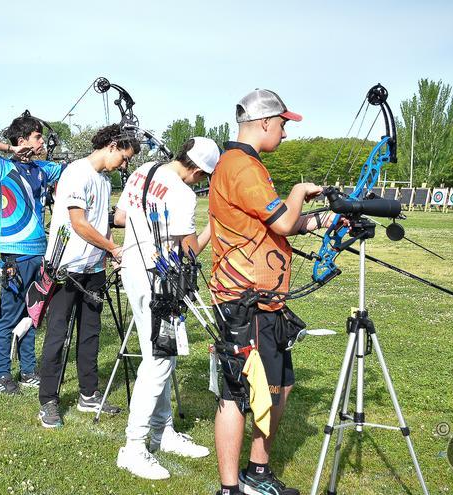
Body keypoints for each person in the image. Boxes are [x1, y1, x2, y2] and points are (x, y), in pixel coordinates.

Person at [209, 89, 331, 495]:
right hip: (246, 300)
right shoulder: (242, 166)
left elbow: (281, 225)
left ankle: (257, 474)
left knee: (279, 385)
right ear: (263, 123)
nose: (284, 132)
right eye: (282, 124)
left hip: (263, 299)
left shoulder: (246, 166)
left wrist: (323, 220)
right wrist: (299, 191)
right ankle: (232, 487)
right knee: (240, 391)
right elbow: (281, 223)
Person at [113, 137, 220, 479]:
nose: (203, 183)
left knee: (159, 354)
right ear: (199, 170)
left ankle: (163, 431)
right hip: (159, 280)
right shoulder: (184, 194)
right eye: (206, 177)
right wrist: (214, 228)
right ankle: (134, 446)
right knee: (159, 359)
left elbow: (121, 216)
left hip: (133, 266)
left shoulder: (145, 169)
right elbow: (188, 254)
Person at [36, 124, 136, 428]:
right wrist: (113, 248)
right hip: (67, 268)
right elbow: (78, 223)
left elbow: (99, 223)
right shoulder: (77, 173)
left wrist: (106, 255)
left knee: (90, 333)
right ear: (113, 145)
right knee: (58, 335)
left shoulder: (104, 181)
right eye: (124, 157)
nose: (124, 165)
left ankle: (89, 394)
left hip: (93, 270)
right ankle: (48, 401)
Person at [0, 113, 62, 395]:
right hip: (14, 255)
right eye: (37, 137)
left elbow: (72, 170)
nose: (41, 141)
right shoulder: (4, 167)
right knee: (8, 318)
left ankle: (27, 370)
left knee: (31, 315)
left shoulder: (42, 169)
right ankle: (2, 375)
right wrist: (12, 149)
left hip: (38, 253)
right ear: (22, 140)